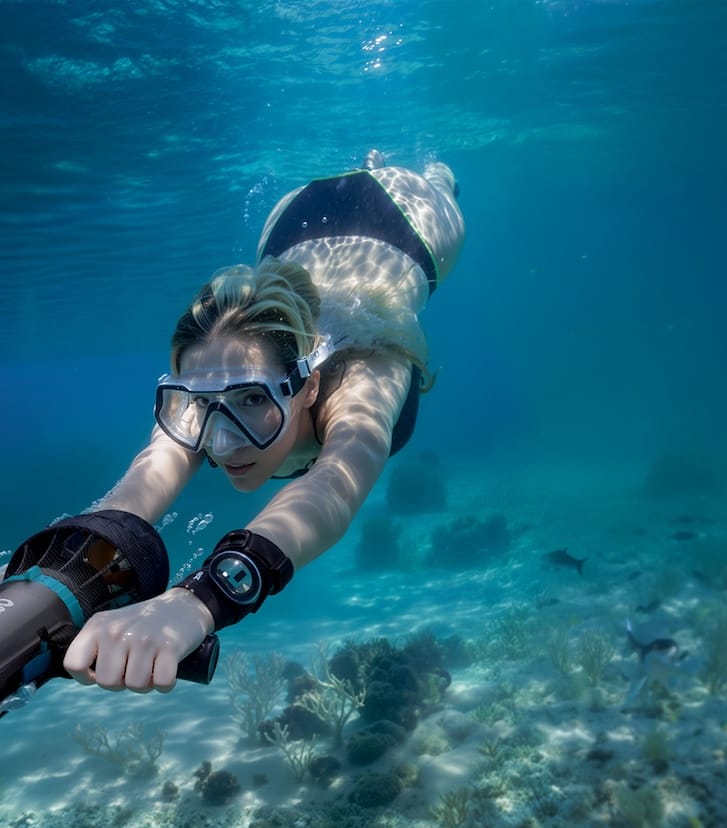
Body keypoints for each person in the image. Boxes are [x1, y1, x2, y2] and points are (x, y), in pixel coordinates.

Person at [61, 150, 466, 693]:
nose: (223, 442)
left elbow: (335, 484)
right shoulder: (209, 386)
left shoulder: (369, 370)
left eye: (252, 399)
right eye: (203, 406)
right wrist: (54, 573)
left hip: (408, 224)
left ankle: (433, 174)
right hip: (292, 222)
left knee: (443, 195)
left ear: (309, 386)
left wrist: (202, 598)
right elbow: (135, 490)